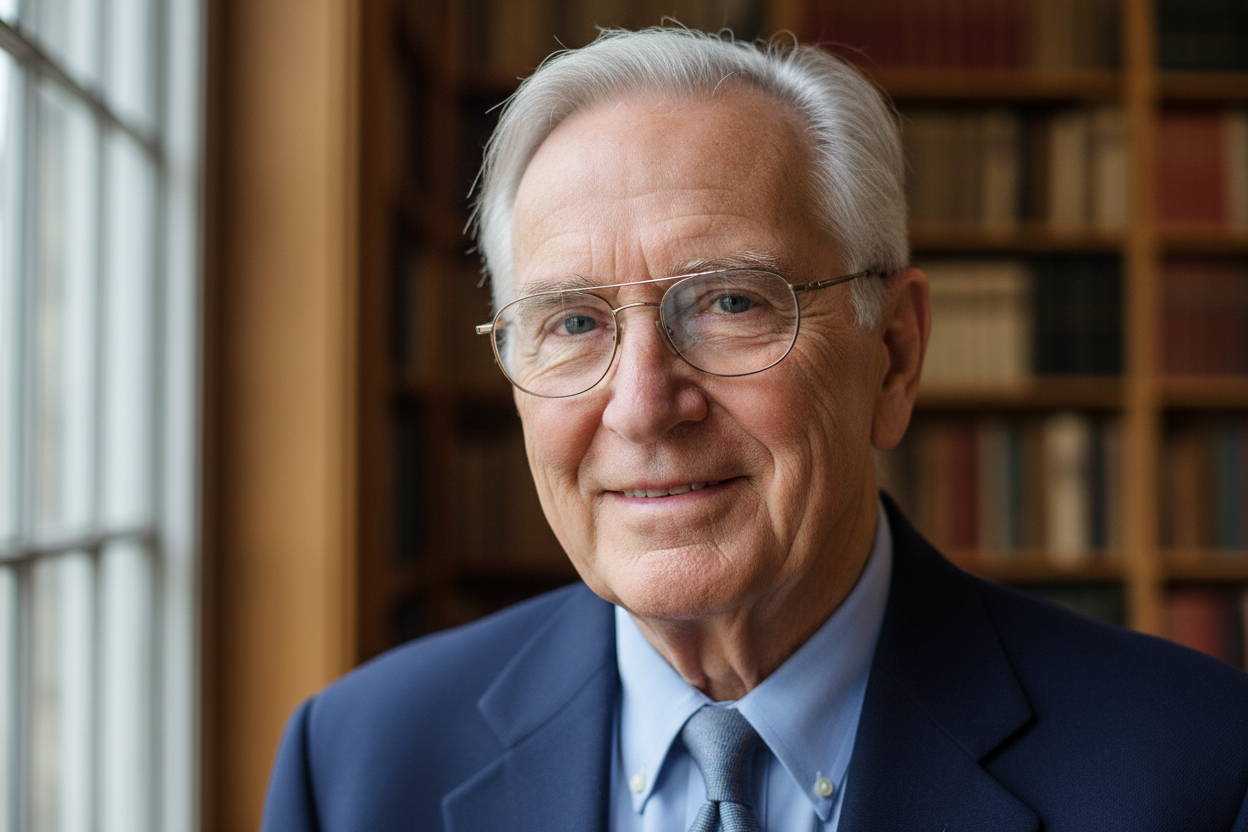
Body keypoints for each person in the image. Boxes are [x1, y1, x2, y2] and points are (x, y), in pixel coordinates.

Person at [261, 28, 1248, 832]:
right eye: (571, 323)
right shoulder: (353, 768)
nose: (645, 403)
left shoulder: (1197, 770)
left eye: (731, 302)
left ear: (894, 354)